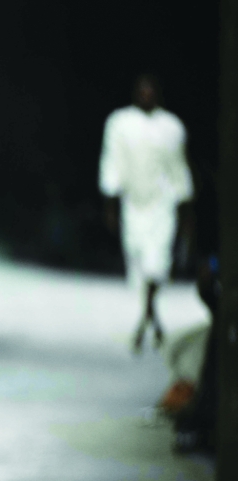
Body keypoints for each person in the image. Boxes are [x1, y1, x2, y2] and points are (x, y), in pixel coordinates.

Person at [99, 74, 194, 351]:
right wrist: (111, 204)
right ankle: (151, 318)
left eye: (151, 90)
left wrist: (185, 206)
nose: (146, 95)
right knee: (139, 260)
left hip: (162, 204)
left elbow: (179, 168)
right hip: (133, 203)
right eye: (142, 90)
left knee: (157, 260)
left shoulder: (171, 127)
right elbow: (112, 163)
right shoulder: (119, 123)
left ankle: (145, 320)